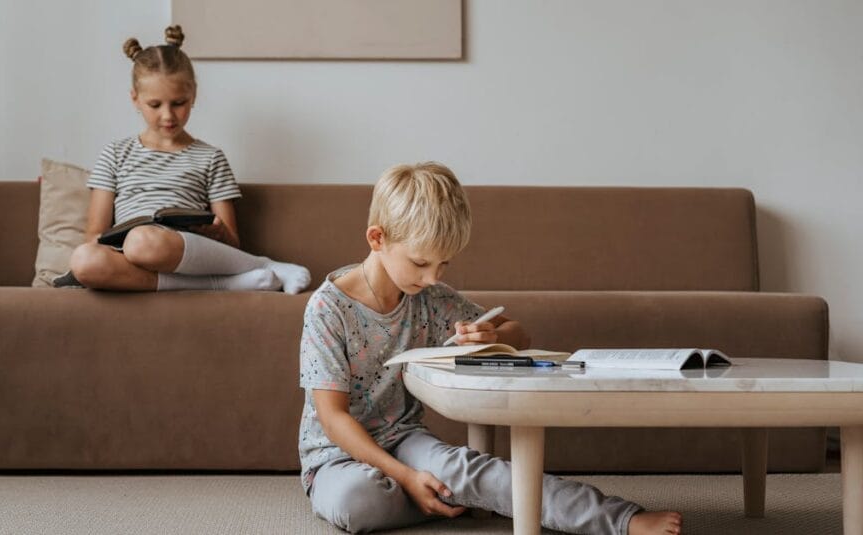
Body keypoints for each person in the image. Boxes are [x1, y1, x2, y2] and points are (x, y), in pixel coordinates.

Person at [297, 162, 682, 534]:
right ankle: (460, 495)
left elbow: (518, 332)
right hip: (334, 459)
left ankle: (618, 519)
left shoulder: (429, 297)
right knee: (357, 503)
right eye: (420, 262)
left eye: (444, 264)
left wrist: (493, 338)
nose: (432, 277)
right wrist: (407, 478)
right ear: (377, 239)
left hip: (405, 440)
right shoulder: (328, 309)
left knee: (476, 473)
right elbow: (334, 419)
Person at [62, 25, 310, 294]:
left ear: (193, 95)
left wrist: (215, 231)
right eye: (155, 105)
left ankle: (264, 264)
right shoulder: (115, 154)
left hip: (184, 249)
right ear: (135, 99)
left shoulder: (210, 157)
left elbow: (232, 240)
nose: (168, 116)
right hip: (129, 254)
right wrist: (111, 243)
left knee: (143, 241)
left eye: (178, 103)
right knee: (83, 260)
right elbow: (93, 234)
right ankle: (225, 284)